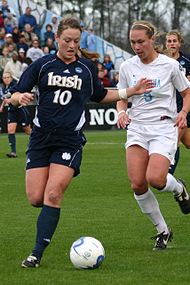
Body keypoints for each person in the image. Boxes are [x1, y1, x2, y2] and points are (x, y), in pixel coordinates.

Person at [10, 16, 153, 268]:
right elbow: (15, 94)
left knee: (53, 194)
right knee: (35, 198)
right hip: (41, 139)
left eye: (76, 41)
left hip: (69, 141)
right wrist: (19, 96)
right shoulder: (42, 65)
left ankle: (36, 254)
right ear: (56, 38)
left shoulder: (86, 68)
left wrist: (131, 91)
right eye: (67, 40)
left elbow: (99, 95)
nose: (71, 45)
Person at [116, 20, 190, 251]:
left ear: (152, 41)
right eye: (132, 42)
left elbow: (187, 93)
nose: (136, 46)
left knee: (156, 179)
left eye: (140, 42)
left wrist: (184, 112)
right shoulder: (127, 67)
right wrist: (121, 112)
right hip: (137, 128)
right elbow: (122, 97)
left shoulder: (169, 65)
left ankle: (178, 188)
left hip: (163, 128)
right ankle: (163, 231)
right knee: (138, 183)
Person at [165, 30, 190, 174]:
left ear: (179, 43)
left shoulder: (187, 61)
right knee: (187, 142)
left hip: (184, 107)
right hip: (168, 106)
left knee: (173, 140)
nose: (171, 44)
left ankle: (167, 175)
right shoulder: (161, 60)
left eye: (174, 41)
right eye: (169, 41)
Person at [0, 72, 31, 157]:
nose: (6, 79)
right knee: (10, 130)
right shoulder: (3, 87)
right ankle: (13, 152)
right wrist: (2, 106)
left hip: (20, 109)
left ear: (11, 78)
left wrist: (9, 101)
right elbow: (5, 98)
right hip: (12, 111)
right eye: (4, 77)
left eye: (8, 77)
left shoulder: (15, 86)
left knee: (27, 130)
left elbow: (16, 98)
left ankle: (34, 145)